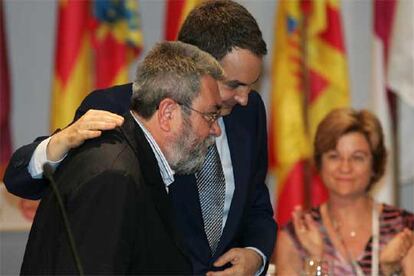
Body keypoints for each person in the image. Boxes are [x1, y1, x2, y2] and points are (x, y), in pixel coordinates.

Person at [5, 1, 277, 275]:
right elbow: (23, 181)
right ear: (194, 64)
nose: (244, 98)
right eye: (234, 85)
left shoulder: (249, 112)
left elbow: (256, 203)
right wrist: (57, 144)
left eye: (251, 86)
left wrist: (256, 256)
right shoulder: (121, 109)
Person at [21, 41, 224, 274]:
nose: (216, 129)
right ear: (168, 114)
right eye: (210, 115)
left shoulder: (136, 157)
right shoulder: (115, 175)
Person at [275, 108, 414, 276]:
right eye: (334, 156)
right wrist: (316, 261)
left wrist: (389, 270)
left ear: (374, 165)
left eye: (357, 157)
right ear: (320, 162)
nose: (345, 167)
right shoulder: (296, 235)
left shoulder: (404, 229)